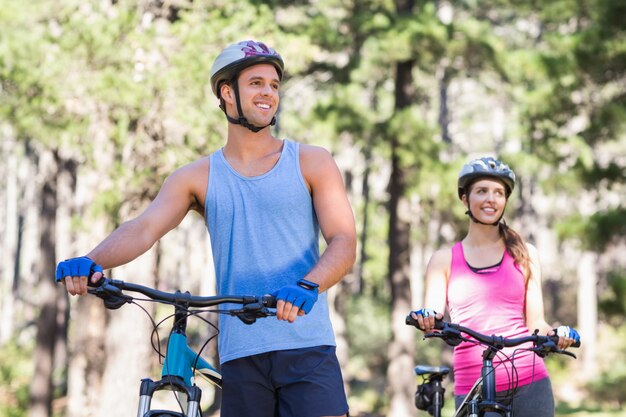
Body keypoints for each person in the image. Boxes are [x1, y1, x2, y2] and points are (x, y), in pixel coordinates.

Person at [55, 40, 356, 417]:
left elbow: (344, 242)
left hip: (307, 347)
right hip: (240, 354)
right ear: (227, 93)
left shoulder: (311, 162)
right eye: (256, 83)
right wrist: (90, 260)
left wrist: (308, 285)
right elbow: (144, 228)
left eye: (274, 85)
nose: (268, 93)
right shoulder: (197, 177)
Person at [410, 156, 580, 417]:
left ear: (505, 201)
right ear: (465, 199)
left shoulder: (525, 253)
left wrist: (558, 334)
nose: (491, 199)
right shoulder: (444, 259)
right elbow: (434, 312)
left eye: (498, 193)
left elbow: (537, 323)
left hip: (529, 380)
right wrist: (426, 318)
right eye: (481, 191)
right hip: (472, 385)